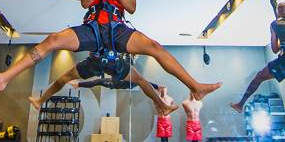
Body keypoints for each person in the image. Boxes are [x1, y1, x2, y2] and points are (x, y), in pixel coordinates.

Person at [0, 0, 220, 101]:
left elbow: (132, 8)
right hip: (93, 27)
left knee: (155, 47)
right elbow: (85, 2)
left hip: (117, 28)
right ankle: (5, 77)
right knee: (52, 40)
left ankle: (195, 86)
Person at [28, 53, 178, 116]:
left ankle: (40, 101)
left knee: (67, 78)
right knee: (139, 81)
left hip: (117, 75)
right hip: (116, 74)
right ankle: (163, 106)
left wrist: (161, 91)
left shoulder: (125, 58)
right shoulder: (122, 55)